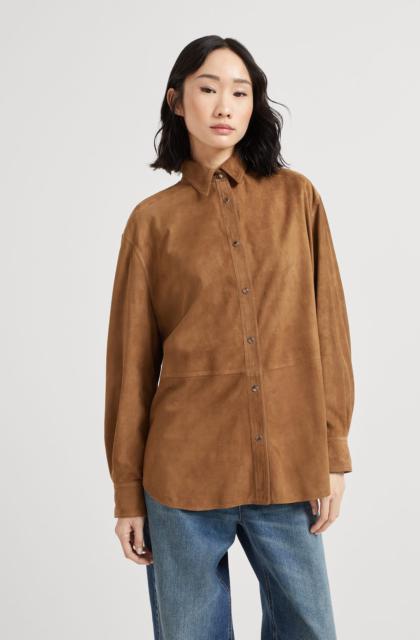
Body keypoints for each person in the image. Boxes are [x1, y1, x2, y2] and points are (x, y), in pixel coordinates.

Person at [104, 34, 355, 640]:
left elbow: (329, 329)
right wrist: (128, 492)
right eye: (208, 88)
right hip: (182, 479)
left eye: (240, 92)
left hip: (287, 466)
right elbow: (130, 366)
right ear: (177, 101)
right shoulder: (152, 222)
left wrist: (333, 452)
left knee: (311, 629)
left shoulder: (297, 199)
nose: (224, 106)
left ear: (254, 105)